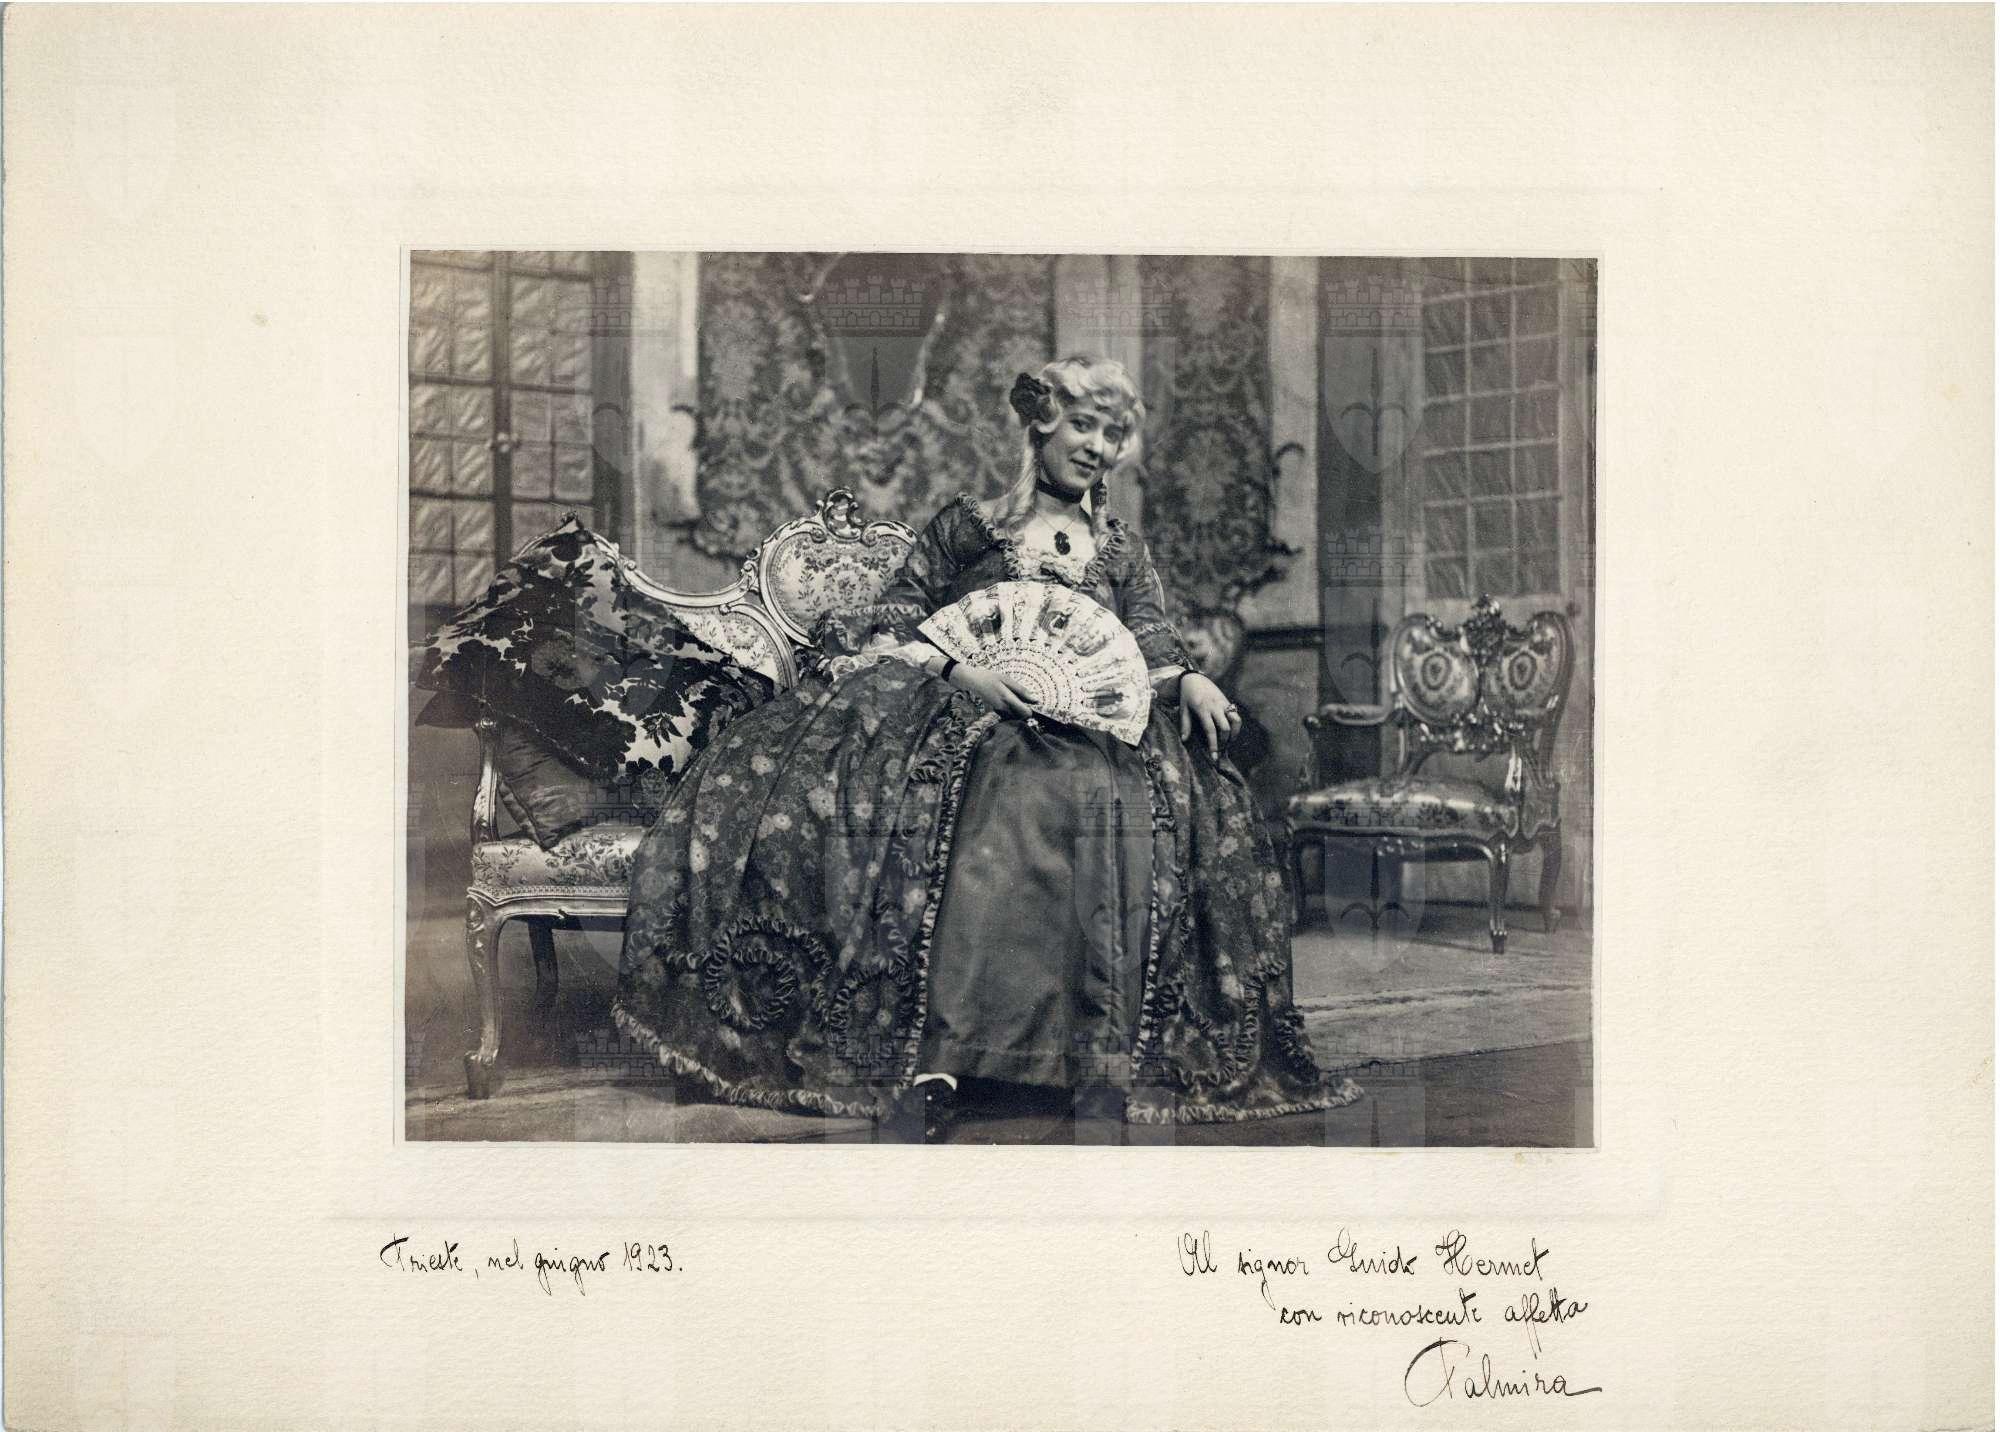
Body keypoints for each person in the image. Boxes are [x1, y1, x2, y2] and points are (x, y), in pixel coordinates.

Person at [612, 355, 1360, 1140]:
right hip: (974, 712)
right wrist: (964, 671)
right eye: (1082, 425)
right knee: (1009, 795)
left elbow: (1149, 643)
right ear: (1042, 425)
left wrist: (1192, 680)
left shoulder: (1122, 550)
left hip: (1098, 732)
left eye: (1112, 434)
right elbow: (897, 620)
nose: (1096, 446)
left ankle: (1096, 1067)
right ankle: (943, 1066)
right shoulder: (970, 525)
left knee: (1108, 798)